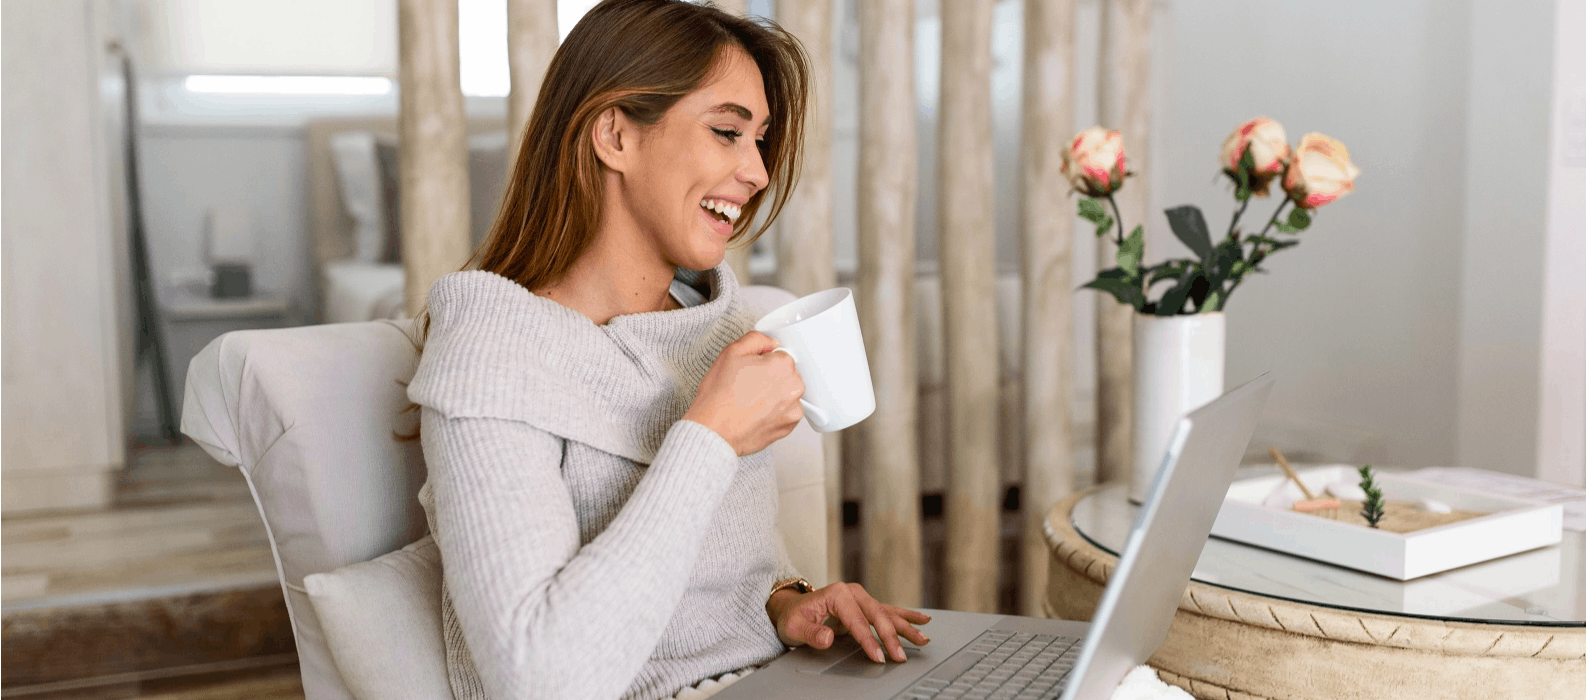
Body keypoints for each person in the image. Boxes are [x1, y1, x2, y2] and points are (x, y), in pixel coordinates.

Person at [405, 2, 931, 698]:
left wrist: (779, 603)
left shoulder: (711, 327)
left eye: (761, 141)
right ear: (616, 135)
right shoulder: (495, 354)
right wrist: (709, 437)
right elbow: (539, 676)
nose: (758, 174)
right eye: (726, 132)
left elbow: (695, 574)